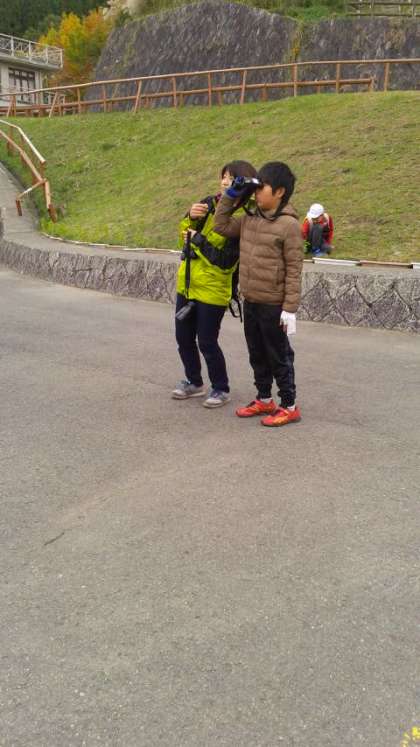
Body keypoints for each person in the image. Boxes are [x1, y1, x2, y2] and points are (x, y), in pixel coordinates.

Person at [213, 161, 303, 427]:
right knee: (256, 353)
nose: (257, 192)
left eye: (262, 187)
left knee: (279, 356)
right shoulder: (249, 219)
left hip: (273, 304)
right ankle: (264, 399)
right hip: (250, 299)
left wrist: (290, 309)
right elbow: (220, 225)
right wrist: (231, 196)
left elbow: (294, 269)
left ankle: (289, 405)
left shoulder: (289, 225)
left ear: (279, 191)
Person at [172, 160, 257, 408]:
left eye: (231, 178)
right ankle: (194, 381)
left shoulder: (243, 217)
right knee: (183, 337)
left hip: (213, 289)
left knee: (207, 341)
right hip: (188, 282)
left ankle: (221, 388)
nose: (224, 182)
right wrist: (189, 218)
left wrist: (198, 240)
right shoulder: (209, 203)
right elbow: (183, 239)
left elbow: (225, 261)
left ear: (243, 184)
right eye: (223, 176)